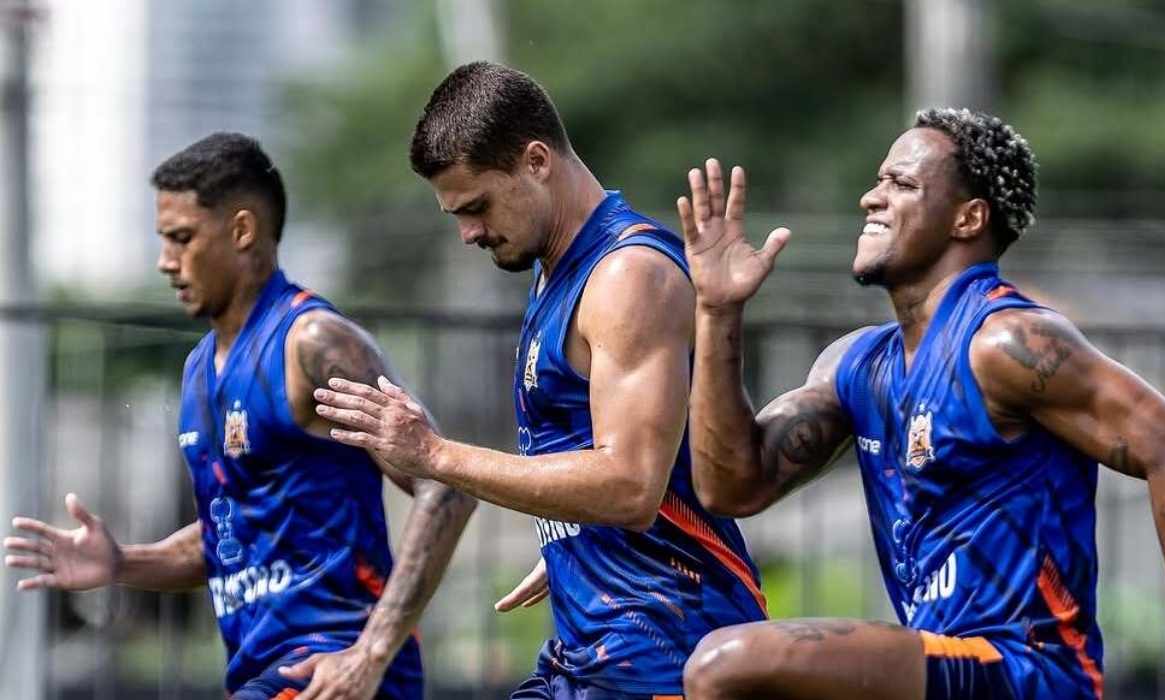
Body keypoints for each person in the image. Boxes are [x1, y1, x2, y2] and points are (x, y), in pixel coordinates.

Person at [673, 109, 1165, 699]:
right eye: (878, 181)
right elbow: (733, 488)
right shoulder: (856, 365)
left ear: (968, 217)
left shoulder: (1006, 343)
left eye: (900, 184)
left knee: (725, 664)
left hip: (1025, 670)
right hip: (942, 661)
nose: (870, 199)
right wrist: (718, 310)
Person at [312, 61, 767, 699]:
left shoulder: (625, 276)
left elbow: (631, 486)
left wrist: (434, 455)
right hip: (593, 651)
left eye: (476, 207)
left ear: (535, 161)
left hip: (666, 651)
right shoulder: (555, 269)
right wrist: (573, 541)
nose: (468, 232)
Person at [3, 133, 475, 700]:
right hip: (261, 674)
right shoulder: (199, 368)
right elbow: (232, 533)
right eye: (162, 241)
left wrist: (369, 654)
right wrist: (123, 561)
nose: (165, 262)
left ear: (242, 231)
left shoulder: (314, 343)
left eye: (181, 239)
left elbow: (445, 489)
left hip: (330, 669)